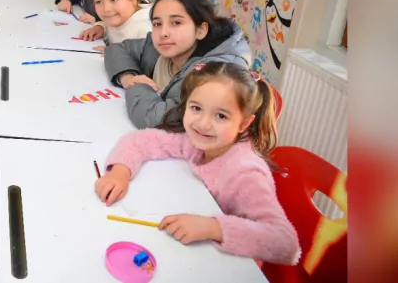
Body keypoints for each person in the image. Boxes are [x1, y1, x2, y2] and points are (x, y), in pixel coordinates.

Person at [95, 62, 299, 265]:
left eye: (221, 116)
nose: (203, 123)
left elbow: (285, 243)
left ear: (244, 123)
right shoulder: (199, 141)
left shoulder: (246, 172)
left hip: (232, 265)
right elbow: (141, 140)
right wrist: (120, 171)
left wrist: (213, 228)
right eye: (196, 108)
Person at [104, 0, 251, 128]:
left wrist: (138, 85)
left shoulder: (213, 74)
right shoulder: (163, 47)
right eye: (157, 23)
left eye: (176, 23)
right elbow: (117, 49)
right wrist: (127, 77)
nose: (164, 33)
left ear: (200, 30)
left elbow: (157, 119)